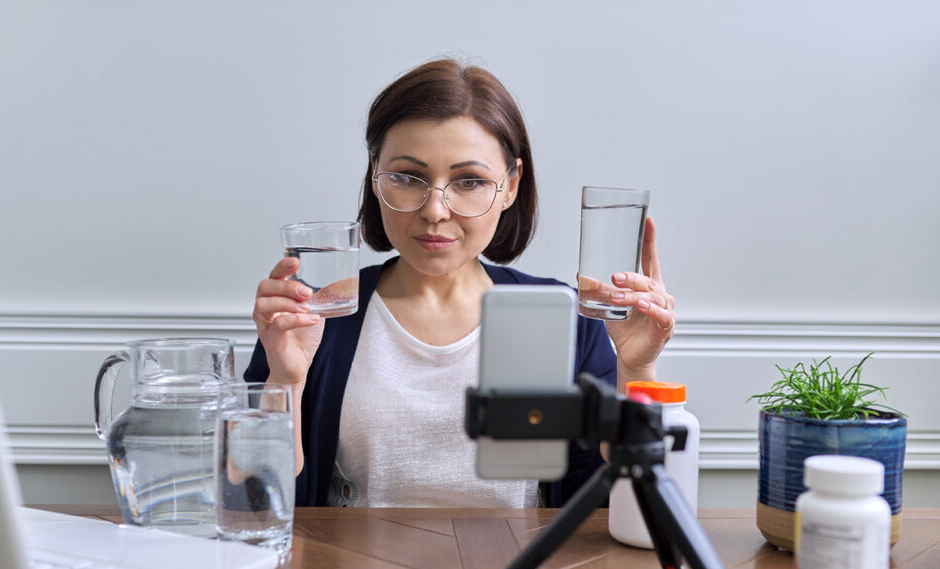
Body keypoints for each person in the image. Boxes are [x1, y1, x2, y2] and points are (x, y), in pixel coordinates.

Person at [245, 59, 675, 508]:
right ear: (375, 175)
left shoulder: (569, 320)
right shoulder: (316, 319)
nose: (435, 210)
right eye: (408, 178)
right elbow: (255, 506)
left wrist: (638, 371)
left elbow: (619, 508)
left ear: (511, 186)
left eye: (469, 181)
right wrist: (285, 381)